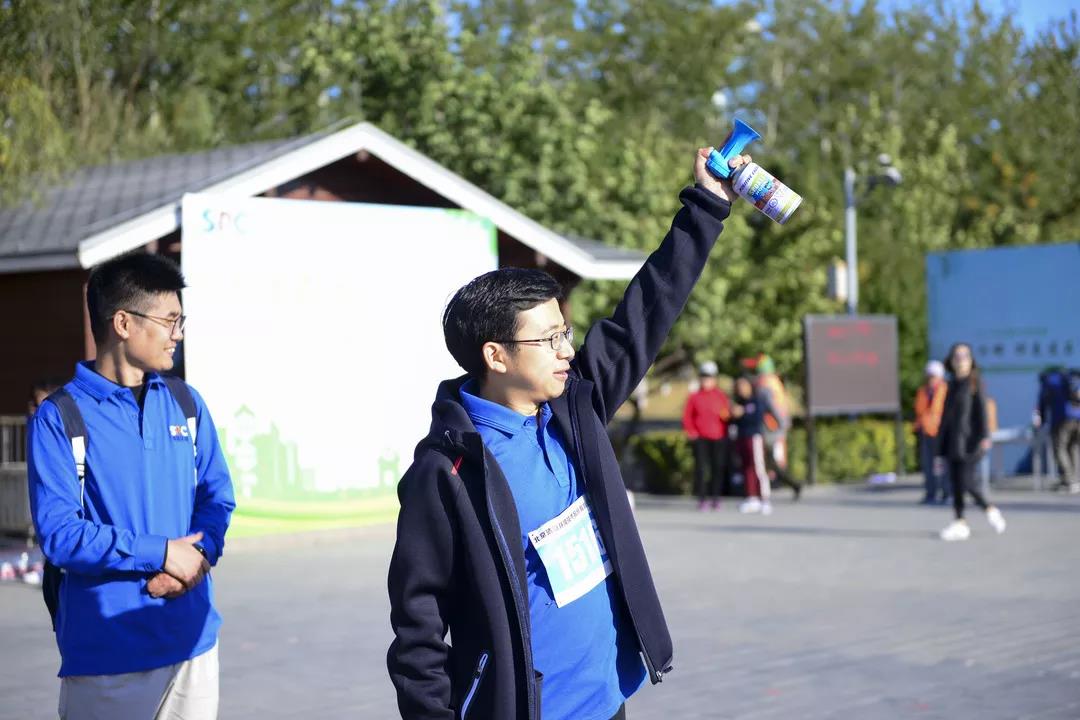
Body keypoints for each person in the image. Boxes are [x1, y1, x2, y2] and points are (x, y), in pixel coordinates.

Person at [386, 148, 750, 720]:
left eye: (566, 333)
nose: (566, 351)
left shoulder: (574, 408)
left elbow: (645, 314)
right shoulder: (446, 473)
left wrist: (705, 205)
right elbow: (417, 626)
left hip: (607, 701)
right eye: (548, 339)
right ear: (496, 355)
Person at [27, 252, 235, 719]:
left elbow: (217, 497)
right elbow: (60, 534)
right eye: (169, 320)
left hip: (194, 644)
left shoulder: (185, 401)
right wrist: (160, 552)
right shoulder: (60, 418)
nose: (178, 333)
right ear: (123, 323)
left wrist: (197, 558)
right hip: (107, 656)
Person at [936, 343, 1006, 542]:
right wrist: (940, 448)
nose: (960, 360)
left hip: (970, 443)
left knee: (967, 482)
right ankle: (960, 522)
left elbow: (981, 412)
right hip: (953, 442)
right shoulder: (950, 385)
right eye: (957, 356)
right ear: (951, 361)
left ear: (971, 360)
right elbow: (945, 418)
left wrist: (984, 436)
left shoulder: (975, 383)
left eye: (964, 356)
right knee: (956, 483)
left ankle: (989, 509)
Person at [748, 354, 801, 501]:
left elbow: (771, 406)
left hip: (770, 428)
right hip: (774, 427)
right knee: (770, 460)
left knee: (768, 461)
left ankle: (788, 485)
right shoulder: (774, 381)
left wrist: (781, 423)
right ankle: (791, 484)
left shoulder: (765, 383)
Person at [682, 360, 732, 510]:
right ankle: (702, 498)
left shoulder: (721, 396)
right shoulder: (694, 397)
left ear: (714, 379)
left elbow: (727, 415)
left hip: (719, 437)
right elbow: (687, 417)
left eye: (709, 377)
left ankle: (716, 497)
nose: (706, 380)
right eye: (704, 377)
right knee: (701, 468)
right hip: (701, 438)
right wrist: (691, 431)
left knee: (718, 468)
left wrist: (727, 419)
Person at [1033, 366, 1080, 493]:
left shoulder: (1048, 382)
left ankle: (1068, 480)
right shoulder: (1068, 379)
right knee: (1073, 448)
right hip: (1078, 418)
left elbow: (1042, 403)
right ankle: (1076, 480)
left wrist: (1041, 421)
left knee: (1059, 449)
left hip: (1062, 418)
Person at [913, 360, 948, 504]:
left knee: (943, 465)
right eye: (929, 376)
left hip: (941, 432)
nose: (931, 379)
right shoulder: (923, 391)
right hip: (926, 432)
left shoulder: (946, 390)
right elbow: (919, 410)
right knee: (928, 465)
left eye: (933, 376)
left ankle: (947, 492)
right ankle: (930, 493)